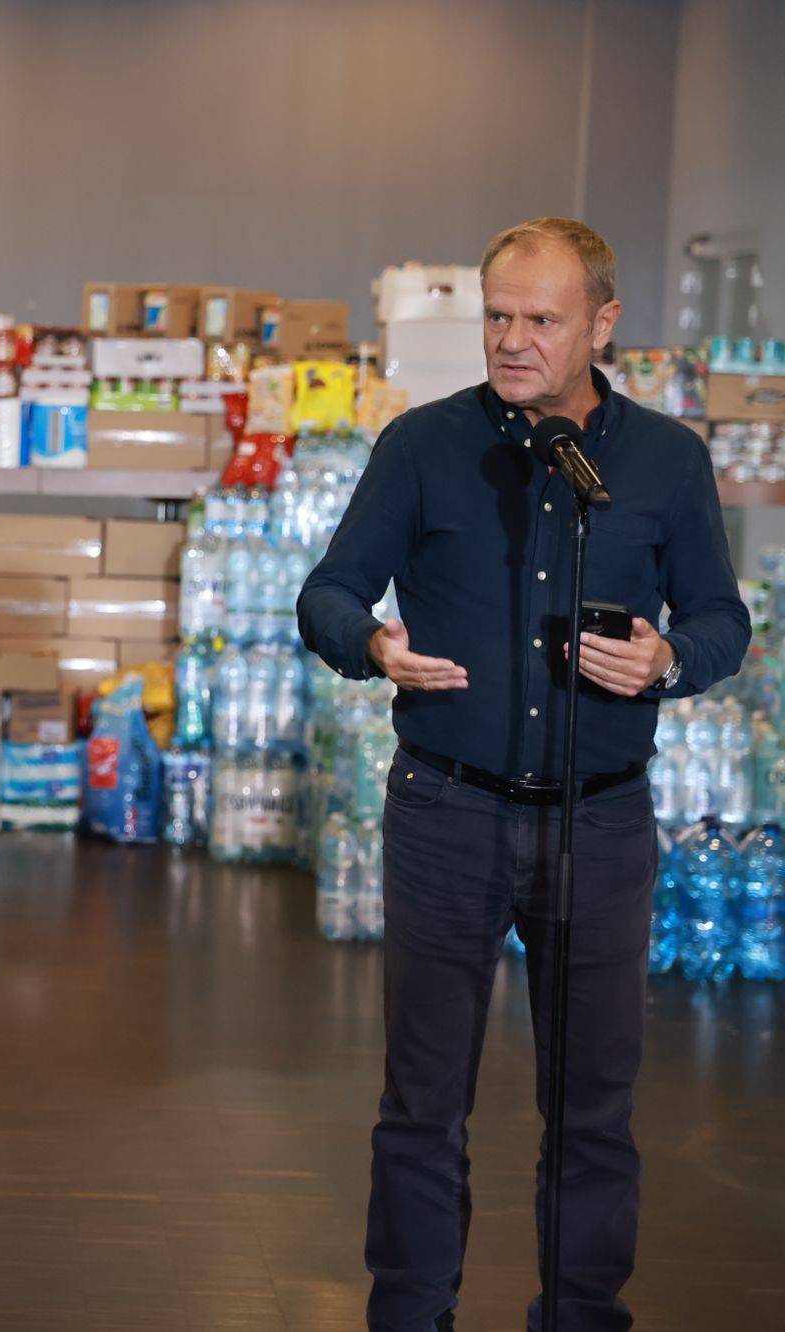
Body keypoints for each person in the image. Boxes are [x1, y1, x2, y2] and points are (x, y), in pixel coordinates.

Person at [298, 217, 750, 1332]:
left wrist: (668, 659)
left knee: (591, 1111)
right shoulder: (420, 446)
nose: (509, 340)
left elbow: (720, 622)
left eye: (538, 320)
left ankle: (582, 1316)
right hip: (443, 812)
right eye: (496, 317)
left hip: (599, 830)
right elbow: (326, 592)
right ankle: (410, 1313)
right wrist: (370, 643)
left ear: (600, 323)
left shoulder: (666, 460)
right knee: (419, 1106)